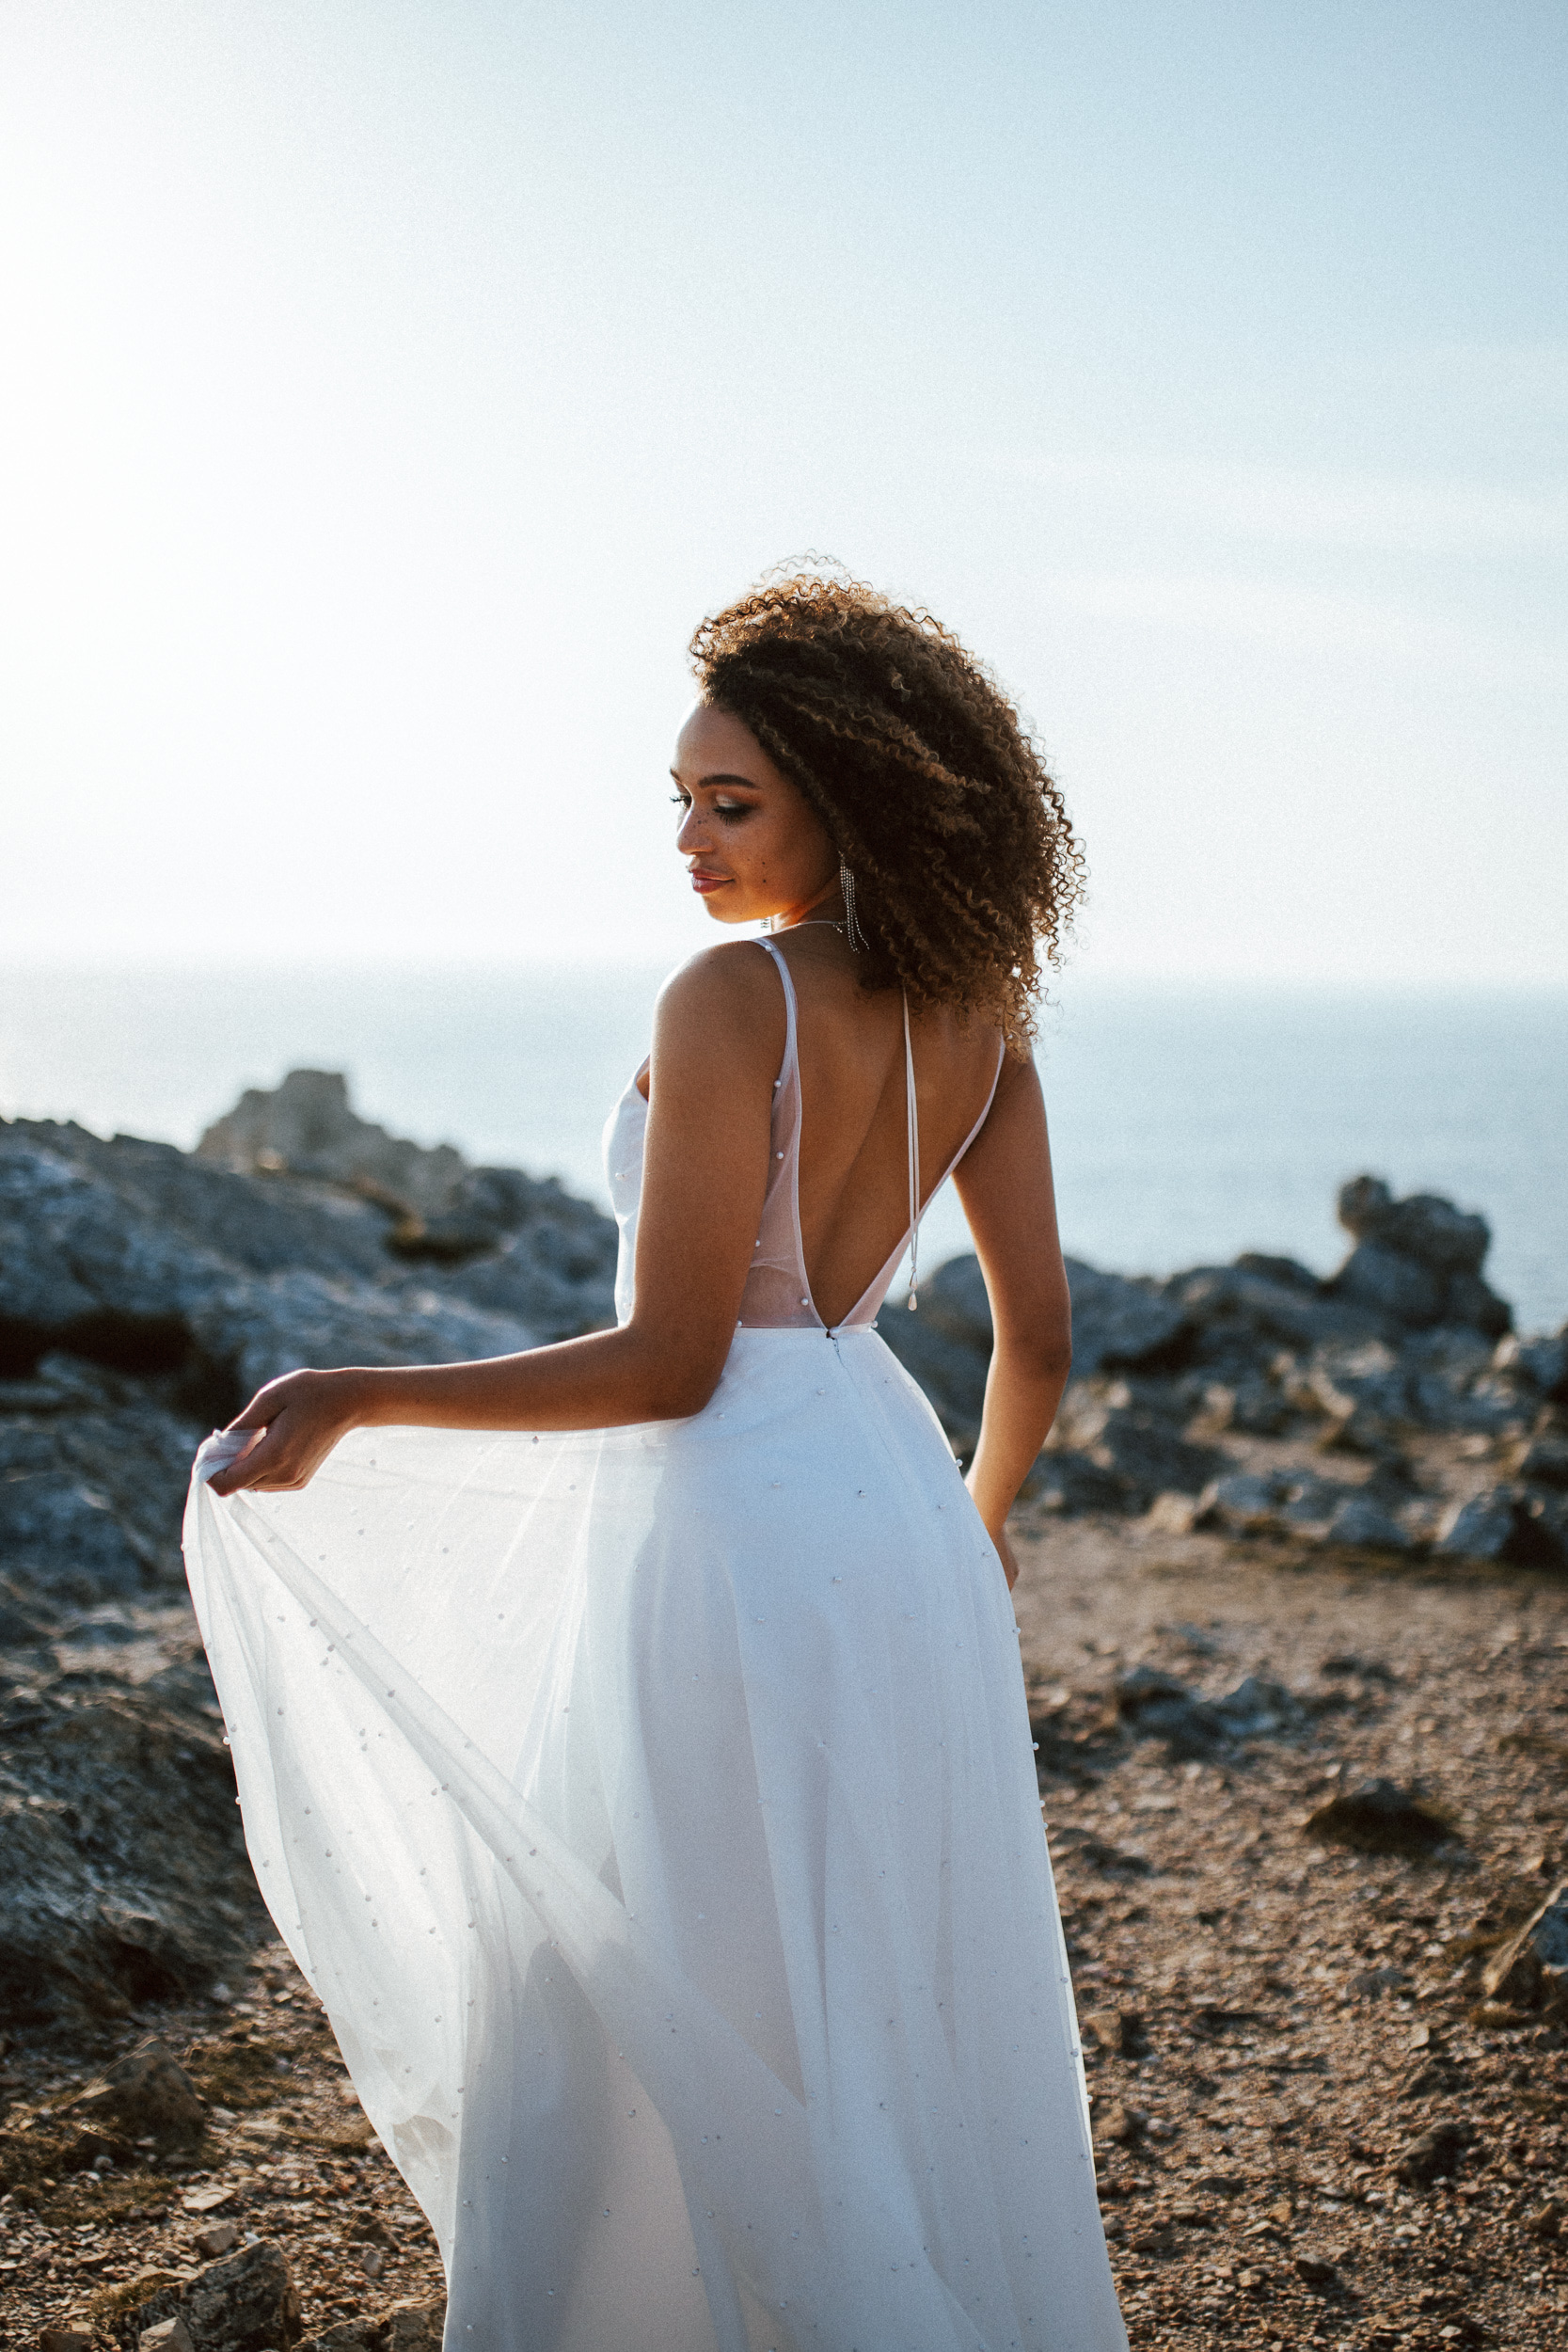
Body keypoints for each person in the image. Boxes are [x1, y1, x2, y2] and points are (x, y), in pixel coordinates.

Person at [185, 570, 1128, 2352]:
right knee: (862, 1984)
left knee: (657, 1959)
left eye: (733, 802)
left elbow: (677, 1362)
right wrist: (977, 1526)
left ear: (851, 796)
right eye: (680, 801)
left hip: (739, 1529)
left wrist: (355, 1393)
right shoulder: (982, 1020)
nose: (690, 842)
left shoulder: (731, 999)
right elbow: (1045, 1337)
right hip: (891, 1511)